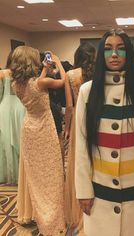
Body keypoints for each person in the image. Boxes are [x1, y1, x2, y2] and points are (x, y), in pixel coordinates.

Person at [74, 29, 134, 236]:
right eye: (108, 49)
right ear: (101, 54)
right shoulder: (87, 93)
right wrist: (83, 190)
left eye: (120, 49)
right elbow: (81, 144)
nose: (114, 54)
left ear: (129, 54)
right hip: (100, 192)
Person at [10, 46, 66, 235]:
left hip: (28, 127)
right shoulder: (41, 83)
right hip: (44, 127)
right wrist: (57, 62)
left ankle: (35, 210)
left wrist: (44, 69)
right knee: (52, 171)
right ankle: (50, 215)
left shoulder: (15, 85)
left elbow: (35, 85)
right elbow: (63, 81)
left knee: (34, 172)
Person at [64, 42, 96, 230]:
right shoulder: (98, 73)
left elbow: (69, 106)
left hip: (78, 118)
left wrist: (67, 128)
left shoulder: (70, 75)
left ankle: (79, 205)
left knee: (79, 161)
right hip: (96, 117)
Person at [0, 51, 25, 184]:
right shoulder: (24, 74)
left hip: (5, 107)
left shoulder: (2, 73)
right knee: (20, 138)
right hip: (21, 107)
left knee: (6, 141)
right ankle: (23, 174)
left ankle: (10, 174)